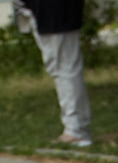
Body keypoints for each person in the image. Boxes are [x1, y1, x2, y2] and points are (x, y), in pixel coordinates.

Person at [24, 0, 91, 148]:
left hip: (53, 10)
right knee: (61, 66)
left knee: (64, 67)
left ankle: (76, 128)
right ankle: (76, 127)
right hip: (49, 11)